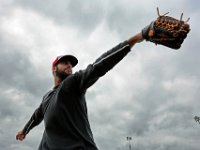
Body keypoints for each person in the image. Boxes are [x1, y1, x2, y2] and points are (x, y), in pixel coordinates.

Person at [16, 32, 144, 150]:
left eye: (71, 64)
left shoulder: (72, 83)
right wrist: (24, 131)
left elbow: (98, 66)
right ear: (54, 69)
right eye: (65, 63)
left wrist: (135, 39)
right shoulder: (47, 97)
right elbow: (36, 117)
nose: (69, 65)